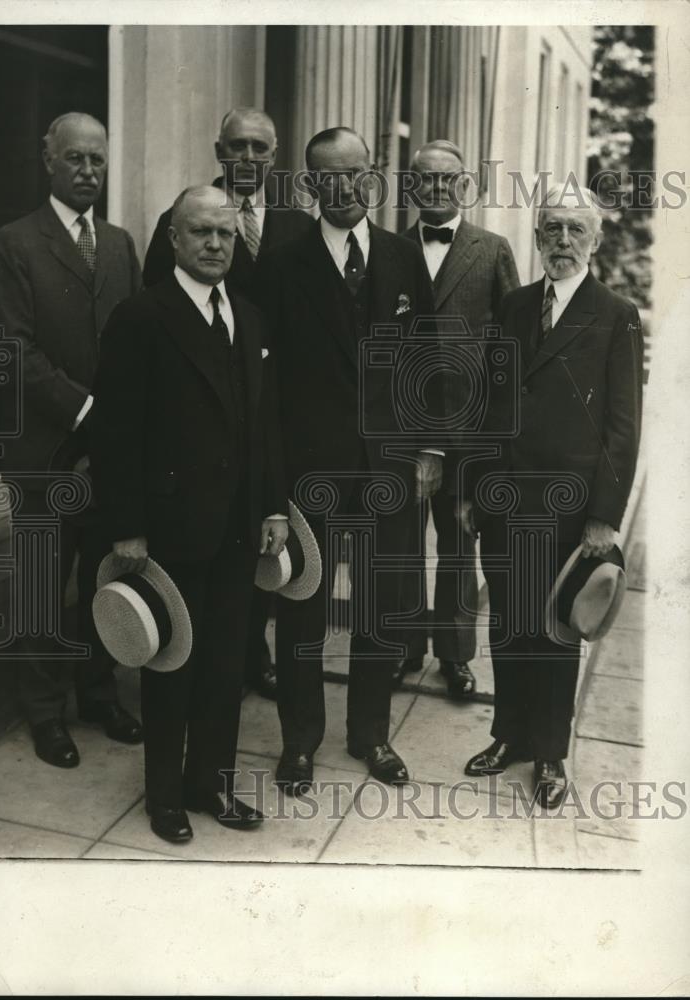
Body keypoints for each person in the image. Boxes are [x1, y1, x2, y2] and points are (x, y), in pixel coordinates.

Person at [89, 186, 289, 844]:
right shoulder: (141, 317)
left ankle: (212, 783)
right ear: (173, 239)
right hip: (170, 528)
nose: (213, 245)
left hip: (237, 526)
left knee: (226, 662)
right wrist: (126, 529)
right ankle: (165, 795)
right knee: (172, 662)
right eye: (200, 232)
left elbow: (264, 429)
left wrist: (272, 510)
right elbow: (115, 435)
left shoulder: (252, 319)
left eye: (225, 235)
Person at [258, 127, 443, 795]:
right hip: (312, 473)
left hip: (388, 469)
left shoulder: (399, 258)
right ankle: (299, 742)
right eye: (327, 176)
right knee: (302, 611)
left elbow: (426, 359)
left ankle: (370, 734)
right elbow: (265, 389)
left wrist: (428, 446)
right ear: (308, 184)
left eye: (355, 172)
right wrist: (274, 485)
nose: (343, 186)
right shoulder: (281, 266)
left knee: (380, 608)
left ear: (373, 175)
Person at [461, 182, 643, 808]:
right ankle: (508, 734)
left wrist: (603, 517)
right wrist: (471, 489)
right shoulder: (513, 307)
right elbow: (488, 404)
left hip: (569, 510)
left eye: (575, 229)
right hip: (503, 503)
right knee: (510, 624)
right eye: (551, 229)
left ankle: (549, 756)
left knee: (557, 631)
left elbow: (623, 427)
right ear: (536, 237)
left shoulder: (615, 314)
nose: (562, 241)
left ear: (595, 239)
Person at [0, 112, 143, 769]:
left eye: (97, 161)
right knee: (41, 586)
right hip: (45, 451)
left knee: (106, 573)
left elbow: (134, 341)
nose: (87, 171)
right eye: (74, 158)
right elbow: (8, 350)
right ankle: (45, 714)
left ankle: (98, 695)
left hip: (108, 456)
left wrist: (121, 421)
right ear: (47, 161)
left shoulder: (120, 243)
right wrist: (84, 411)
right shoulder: (13, 243)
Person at [143, 106, 314, 700]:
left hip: (277, 412)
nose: (247, 158)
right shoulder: (185, 217)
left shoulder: (297, 225)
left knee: (262, 536)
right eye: (236, 146)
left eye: (259, 148)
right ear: (219, 151)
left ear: (274, 155)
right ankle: (208, 659)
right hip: (205, 422)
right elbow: (155, 314)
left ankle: (252, 652)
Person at [395, 139, 520, 695]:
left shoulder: (492, 251)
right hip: (402, 432)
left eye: (449, 179)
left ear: (465, 184)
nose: (438, 188)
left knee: (456, 546)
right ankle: (403, 647)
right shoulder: (389, 250)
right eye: (427, 178)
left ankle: (454, 654)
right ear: (410, 185)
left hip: (467, 433)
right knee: (398, 546)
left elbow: (511, 349)